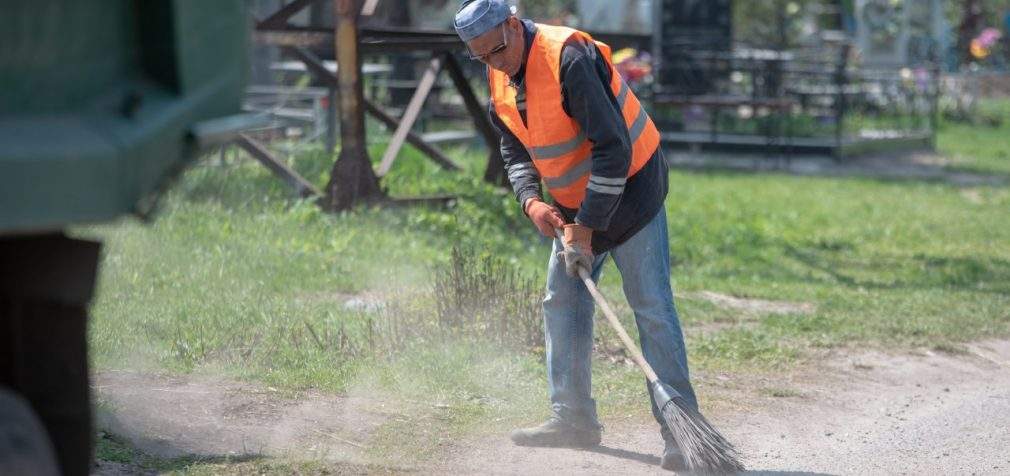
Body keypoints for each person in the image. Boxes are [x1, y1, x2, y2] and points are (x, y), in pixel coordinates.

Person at [454, 0, 697, 471]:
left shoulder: (569, 57)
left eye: (497, 50)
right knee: (562, 301)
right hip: (569, 204)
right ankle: (573, 419)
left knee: (651, 307)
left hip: (630, 193)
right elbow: (513, 142)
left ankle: (681, 431)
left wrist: (586, 229)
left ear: (511, 23)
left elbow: (613, 149)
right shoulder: (497, 65)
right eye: (480, 57)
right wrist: (531, 199)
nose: (493, 63)